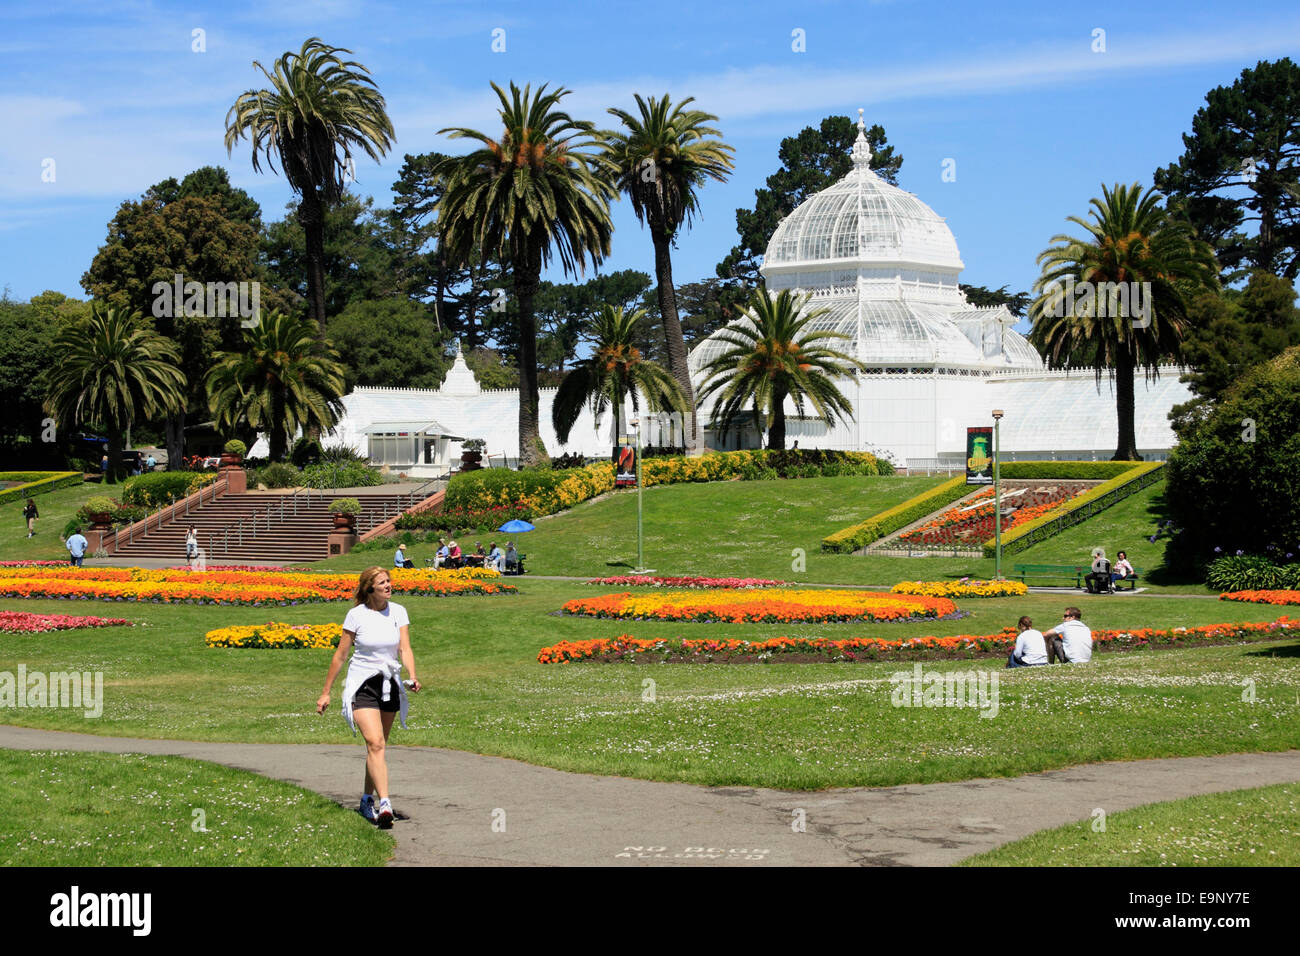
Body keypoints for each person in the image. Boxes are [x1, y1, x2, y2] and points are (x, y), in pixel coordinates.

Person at [316, 567, 421, 829]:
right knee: (375, 743)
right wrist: (326, 692)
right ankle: (384, 803)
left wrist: (413, 675)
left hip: (389, 684)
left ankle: (366, 799)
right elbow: (340, 656)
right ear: (369, 588)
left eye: (389, 581)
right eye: (382, 582)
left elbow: (404, 647)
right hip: (362, 685)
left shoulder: (398, 611)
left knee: (378, 747)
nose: (388, 585)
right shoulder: (356, 615)